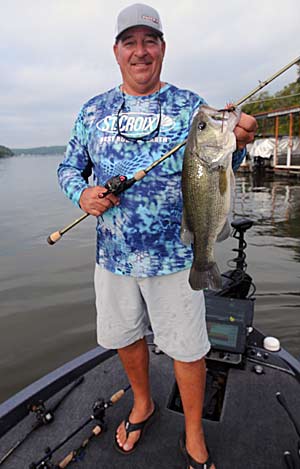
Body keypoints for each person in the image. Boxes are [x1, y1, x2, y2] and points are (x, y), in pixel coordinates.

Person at [58, 4, 257, 468]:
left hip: (178, 258)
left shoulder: (192, 108)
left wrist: (241, 142)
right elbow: (69, 167)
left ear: (163, 48)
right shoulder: (93, 111)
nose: (140, 51)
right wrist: (81, 194)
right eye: (130, 42)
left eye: (150, 41)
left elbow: (223, 166)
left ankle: (192, 431)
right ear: (116, 50)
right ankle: (143, 403)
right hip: (113, 258)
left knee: (188, 349)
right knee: (125, 338)